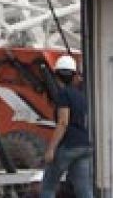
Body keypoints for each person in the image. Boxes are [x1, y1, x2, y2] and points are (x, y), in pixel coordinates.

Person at [40, 54, 94, 198]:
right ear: (74, 75)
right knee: (84, 190)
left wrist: (51, 149)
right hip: (84, 146)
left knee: (48, 187)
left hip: (68, 146)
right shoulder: (81, 95)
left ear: (57, 75)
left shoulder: (63, 94)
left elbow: (63, 122)